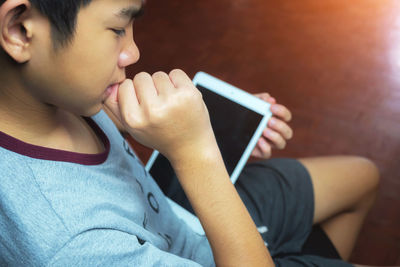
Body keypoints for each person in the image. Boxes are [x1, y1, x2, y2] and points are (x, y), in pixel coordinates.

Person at [0, 0, 380, 266]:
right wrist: (197, 152)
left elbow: (104, 136)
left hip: (177, 214)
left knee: (363, 175)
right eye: (117, 28)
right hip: (198, 240)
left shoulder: (54, 94)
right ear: (19, 29)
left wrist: (208, 127)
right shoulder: (72, 247)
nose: (132, 51)